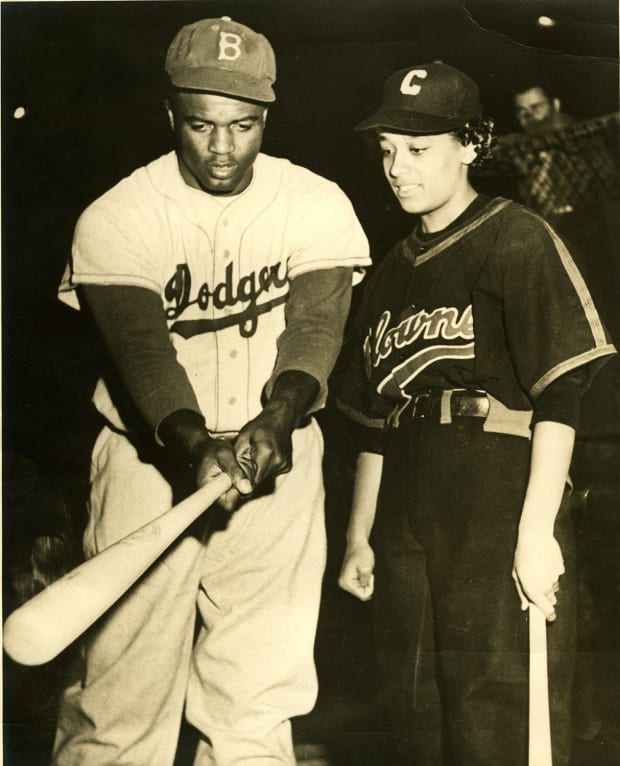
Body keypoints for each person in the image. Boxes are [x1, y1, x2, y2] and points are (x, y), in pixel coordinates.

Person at [54, 16, 370, 766]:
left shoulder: (314, 200)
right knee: (121, 697)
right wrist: (194, 444)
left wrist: (280, 417)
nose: (222, 147)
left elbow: (315, 327)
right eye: (201, 125)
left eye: (243, 125)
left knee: (257, 696)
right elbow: (143, 354)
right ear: (170, 114)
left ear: (267, 117)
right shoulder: (118, 215)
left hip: (277, 453)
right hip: (148, 460)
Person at [337, 62, 616, 765]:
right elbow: (372, 421)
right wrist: (359, 535)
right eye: (387, 150)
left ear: (470, 144)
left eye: (418, 148)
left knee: (493, 704)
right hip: (404, 490)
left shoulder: (515, 235)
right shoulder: (392, 269)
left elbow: (561, 394)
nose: (397, 168)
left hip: (492, 475)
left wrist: (537, 530)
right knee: (415, 709)